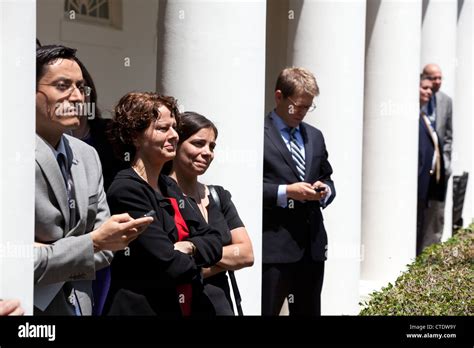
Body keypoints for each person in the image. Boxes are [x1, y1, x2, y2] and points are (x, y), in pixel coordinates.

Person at [34, 45, 153, 315]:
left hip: (82, 304)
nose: (77, 97)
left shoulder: (87, 155)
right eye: (63, 86)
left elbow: (107, 251)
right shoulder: (11, 156)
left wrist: (51, 251)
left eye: (81, 87)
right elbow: (14, 259)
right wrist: (91, 242)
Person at [104, 92, 223, 316]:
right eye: (162, 128)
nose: (174, 135)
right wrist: (196, 258)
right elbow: (169, 265)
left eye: (174, 127)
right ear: (134, 137)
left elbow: (215, 241)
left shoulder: (169, 185)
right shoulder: (126, 189)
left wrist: (188, 247)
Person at [262, 67, 335, 316]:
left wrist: (325, 190)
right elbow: (247, 188)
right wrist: (286, 192)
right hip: (273, 246)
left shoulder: (315, 136)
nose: (302, 113)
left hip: (311, 246)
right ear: (279, 96)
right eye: (297, 106)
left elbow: (327, 177)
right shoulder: (257, 134)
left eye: (308, 107)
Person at [166, 112, 254, 315]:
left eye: (212, 146)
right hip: (181, 306)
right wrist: (227, 257)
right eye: (198, 143)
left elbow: (247, 254)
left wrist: (196, 254)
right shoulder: (162, 195)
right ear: (176, 144)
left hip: (221, 306)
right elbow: (171, 265)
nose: (208, 152)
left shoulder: (218, 195)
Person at [419, 63, 453, 252]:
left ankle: (429, 257)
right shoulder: (418, 98)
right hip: (422, 169)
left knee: (435, 217)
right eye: (433, 78)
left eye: (440, 78)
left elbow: (448, 136)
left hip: (439, 172)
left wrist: (446, 162)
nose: (437, 82)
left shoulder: (446, 101)